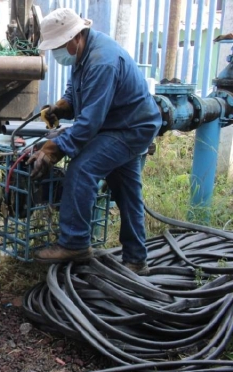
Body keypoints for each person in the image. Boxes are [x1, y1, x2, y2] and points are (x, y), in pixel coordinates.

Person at [27, 8, 162, 273]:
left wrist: (55, 149)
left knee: (82, 169)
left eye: (59, 45)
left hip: (129, 128)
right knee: (127, 191)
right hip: (120, 123)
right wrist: (63, 106)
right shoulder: (85, 51)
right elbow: (76, 89)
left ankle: (75, 242)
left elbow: (89, 123)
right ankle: (136, 259)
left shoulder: (102, 61)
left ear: (76, 36)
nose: (57, 52)